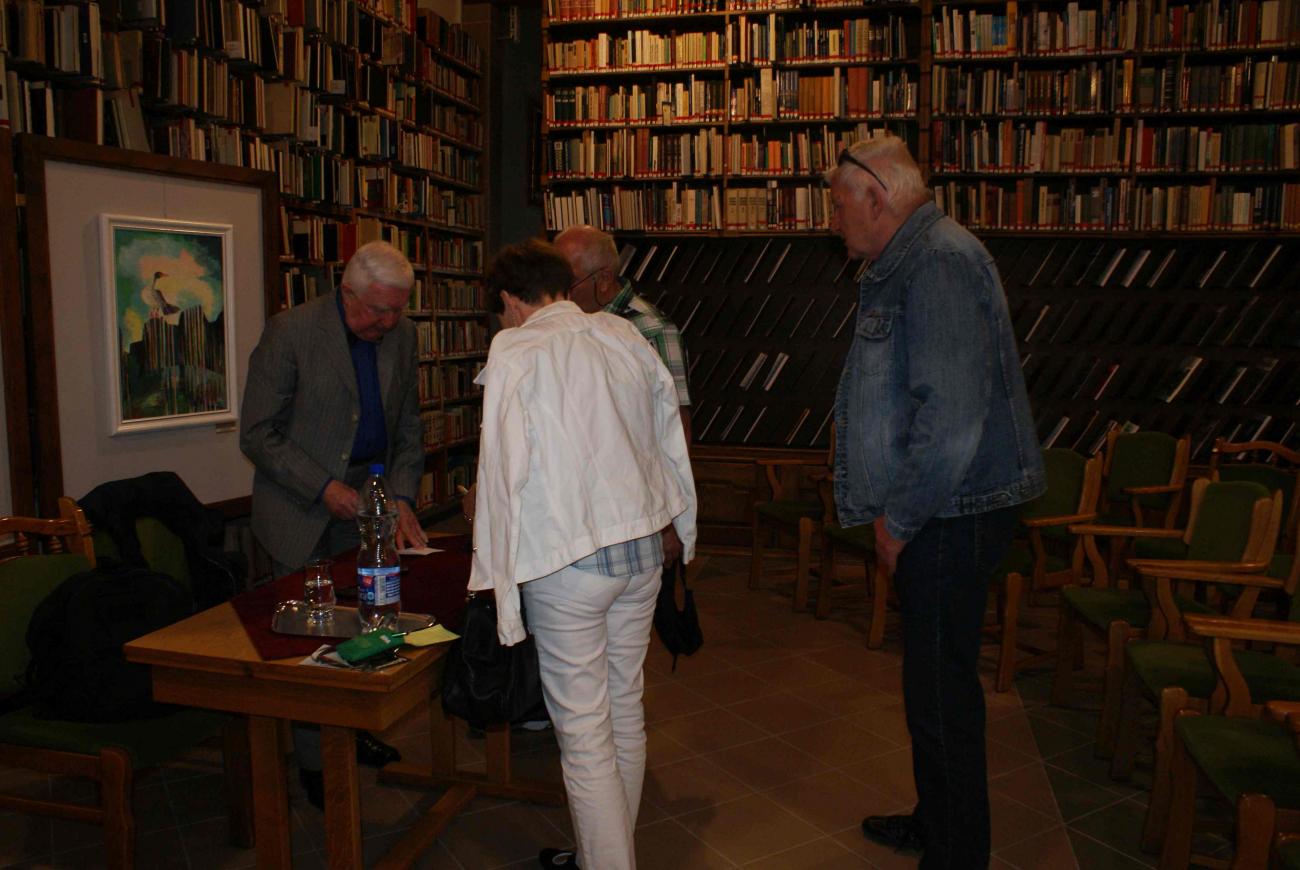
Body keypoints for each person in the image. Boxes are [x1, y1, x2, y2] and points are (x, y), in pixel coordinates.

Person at [825, 136, 1045, 869]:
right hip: (946, 509)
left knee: (941, 696)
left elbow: (950, 419)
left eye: (838, 204)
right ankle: (938, 820)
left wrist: (899, 520)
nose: (833, 221)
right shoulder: (917, 258)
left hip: (952, 512)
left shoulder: (939, 262)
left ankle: (955, 853)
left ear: (877, 197)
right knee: (930, 686)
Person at [469, 239, 696, 870]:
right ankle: (609, 855)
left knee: (585, 739)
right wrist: (684, 524)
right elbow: (668, 439)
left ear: (511, 299)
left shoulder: (516, 348)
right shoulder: (623, 337)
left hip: (568, 561)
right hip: (641, 552)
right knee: (624, 713)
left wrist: (497, 584)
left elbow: (501, 471)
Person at [239, 240, 429, 805]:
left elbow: (408, 426)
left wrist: (402, 495)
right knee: (309, 638)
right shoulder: (291, 332)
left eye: (397, 309)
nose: (388, 322)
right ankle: (315, 761)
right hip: (298, 509)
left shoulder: (404, 335)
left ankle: (354, 729)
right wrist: (324, 488)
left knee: (370, 623)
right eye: (378, 310)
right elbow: (258, 433)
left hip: (369, 506)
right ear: (346, 291)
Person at [553, 224, 691, 564]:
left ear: (603, 279)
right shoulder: (568, 328)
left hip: (642, 510)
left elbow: (677, 429)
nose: (559, 294)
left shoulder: (651, 330)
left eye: (568, 283)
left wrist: (671, 523)